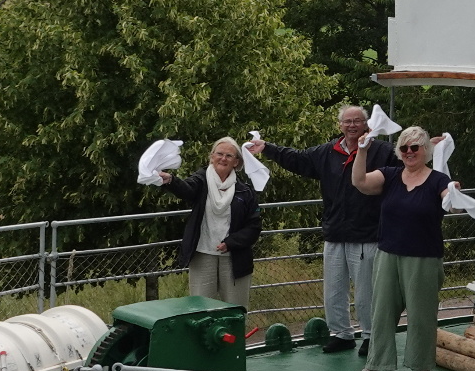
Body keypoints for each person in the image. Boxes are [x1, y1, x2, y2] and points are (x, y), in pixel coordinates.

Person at [249, 107, 394, 353]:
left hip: (367, 233)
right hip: (335, 232)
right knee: (333, 290)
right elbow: (297, 159)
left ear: (367, 124)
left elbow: (408, 161)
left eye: (357, 121)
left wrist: (431, 151)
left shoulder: (382, 151)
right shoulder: (327, 152)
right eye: (347, 121)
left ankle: (371, 336)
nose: (352, 125)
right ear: (340, 125)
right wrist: (267, 148)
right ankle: (342, 334)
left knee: (366, 293)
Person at [349, 123, 454, 371]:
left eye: (415, 147)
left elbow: (450, 201)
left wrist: (453, 192)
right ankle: (373, 368)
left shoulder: (438, 180)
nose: (409, 151)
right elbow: (359, 182)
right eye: (404, 147)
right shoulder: (390, 175)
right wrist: (362, 151)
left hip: (423, 259)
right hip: (387, 255)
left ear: (425, 150)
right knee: (381, 313)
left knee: (421, 317)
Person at [154, 138, 263, 311]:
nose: (223, 158)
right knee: (201, 310)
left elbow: (254, 227)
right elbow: (186, 189)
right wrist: (170, 180)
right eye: (219, 154)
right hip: (202, 254)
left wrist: (231, 243)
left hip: (235, 258)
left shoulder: (245, 191)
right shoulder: (200, 180)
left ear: (236, 162)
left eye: (229, 155)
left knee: (235, 311)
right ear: (211, 157)